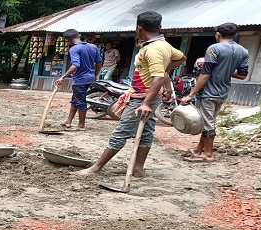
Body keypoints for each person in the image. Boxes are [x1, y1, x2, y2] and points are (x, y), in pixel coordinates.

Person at [78, 11, 186, 176]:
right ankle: (138, 168)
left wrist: (145, 103)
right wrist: (163, 69)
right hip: (149, 95)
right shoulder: (164, 45)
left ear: (139, 28)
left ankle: (96, 167)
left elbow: (158, 77)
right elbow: (182, 58)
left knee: (121, 132)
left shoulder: (153, 49)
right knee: (146, 132)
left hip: (142, 97)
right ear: (160, 27)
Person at [180, 23, 249, 162]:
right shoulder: (243, 51)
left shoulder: (214, 49)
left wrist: (190, 94)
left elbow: (205, 74)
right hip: (223, 92)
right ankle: (199, 149)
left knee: (208, 124)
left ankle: (209, 154)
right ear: (234, 35)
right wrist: (227, 71)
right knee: (208, 121)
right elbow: (242, 75)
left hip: (208, 92)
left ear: (218, 34)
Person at [54, 29, 102, 131]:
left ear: (68, 40)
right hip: (89, 77)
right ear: (79, 35)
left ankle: (81, 125)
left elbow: (75, 65)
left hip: (80, 79)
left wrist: (62, 77)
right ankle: (69, 121)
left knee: (80, 101)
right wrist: (95, 74)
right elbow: (99, 62)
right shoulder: (93, 46)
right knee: (76, 99)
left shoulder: (74, 49)